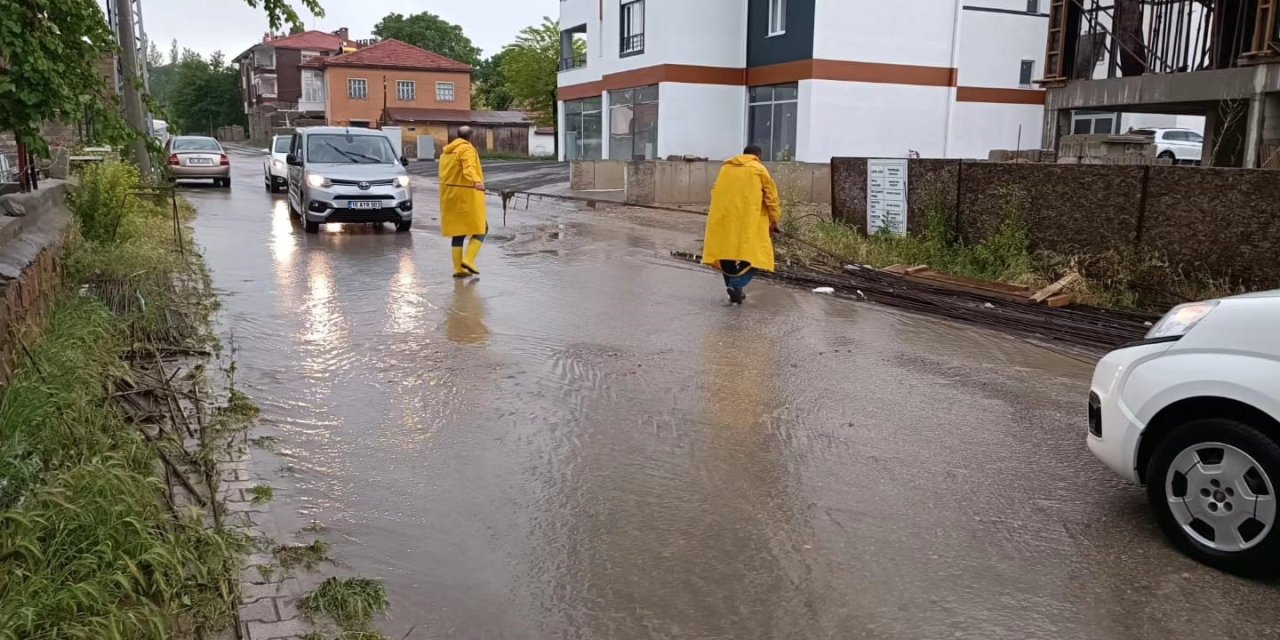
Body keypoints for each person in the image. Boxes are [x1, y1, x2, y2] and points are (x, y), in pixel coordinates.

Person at [701, 145, 781, 304]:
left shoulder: (725, 169)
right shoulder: (758, 169)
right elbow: (771, 197)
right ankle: (736, 285)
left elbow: (715, 191)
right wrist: (774, 220)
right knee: (758, 256)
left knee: (726, 253)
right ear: (759, 156)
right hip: (749, 221)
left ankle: (734, 290)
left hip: (724, 220)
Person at [439, 126, 488, 278]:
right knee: (482, 228)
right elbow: (469, 168)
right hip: (465, 196)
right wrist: (477, 181)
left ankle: (457, 269)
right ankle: (468, 260)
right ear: (471, 137)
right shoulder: (466, 149)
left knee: (458, 232)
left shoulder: (446, 152)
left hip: (450, 196)